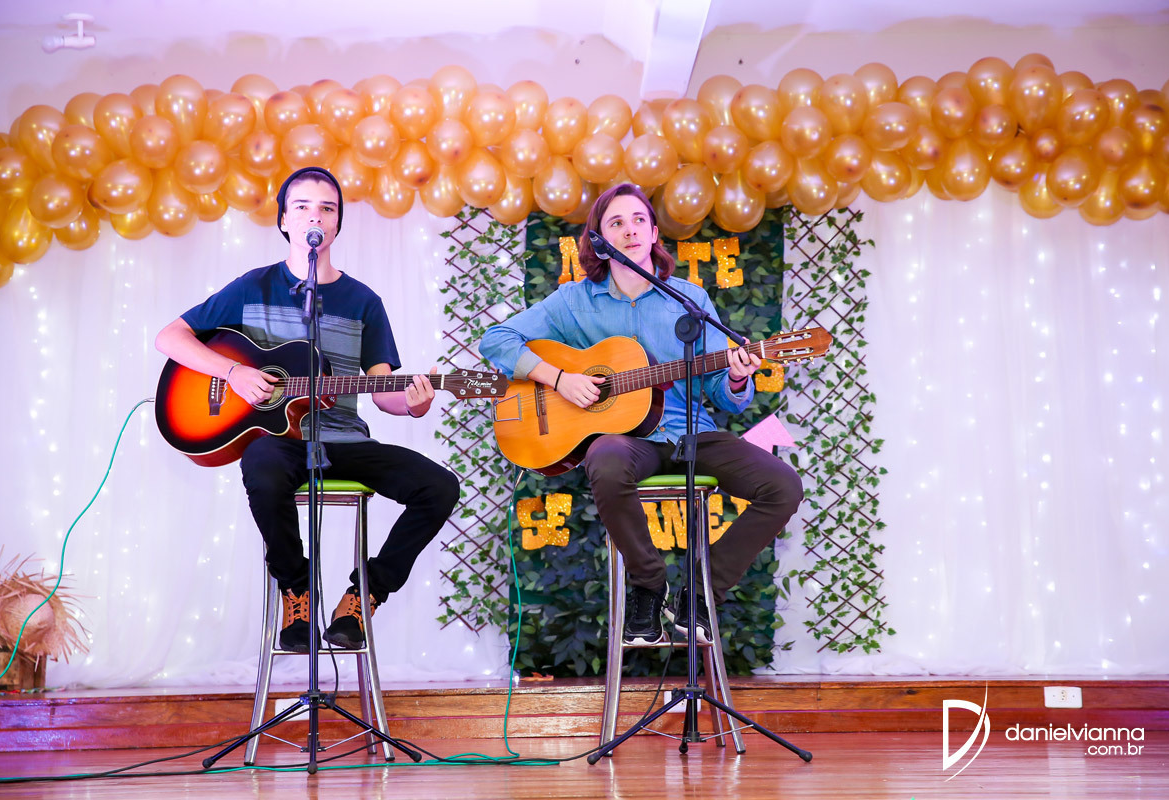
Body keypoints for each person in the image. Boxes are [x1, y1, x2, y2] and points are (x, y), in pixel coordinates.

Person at [479, 183, 803, 645]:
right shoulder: (574, 301)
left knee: (784, 486)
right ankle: (649, 585)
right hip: (628, 443)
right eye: (616, 223)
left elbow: (726, 396)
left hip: (692, 433)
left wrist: (735, 376)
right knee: (605, 457)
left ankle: (700, 592)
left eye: (638, 221)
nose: (629, 230)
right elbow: (495, 339)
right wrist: (559, 378)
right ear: (600, 240)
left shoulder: (689, 299)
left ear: (653, 233)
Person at [155, 166, 459, 653]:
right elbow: (170, 338)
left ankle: (363, 597)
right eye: (302, 206)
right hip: (281, 444)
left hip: (346, 441)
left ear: (336, 224)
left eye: (327, 208)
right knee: (261, 464)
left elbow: (383, 389)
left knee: (439, 486)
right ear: (284, 220)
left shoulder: (364, 301)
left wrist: (414, 404)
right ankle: (296, 590)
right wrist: (233, 373)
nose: (315, 215)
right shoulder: (251, 287)